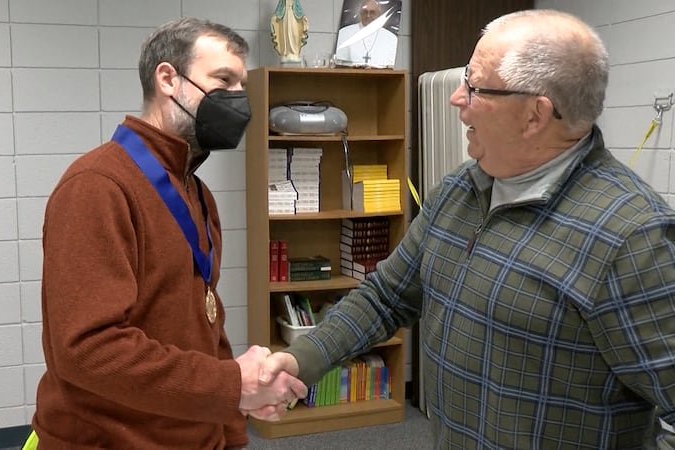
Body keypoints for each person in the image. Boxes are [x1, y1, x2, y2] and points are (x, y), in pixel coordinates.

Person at [262, 9, 675, 449]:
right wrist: (297, 361)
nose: (457, 98)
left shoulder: (633, 238)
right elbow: (386, 296)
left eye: (474, 86)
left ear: (534, 116)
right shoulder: (460, 190)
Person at [30, 17, 306, 450]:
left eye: (241, 87)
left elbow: (208, 329)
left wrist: (232, 427)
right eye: (223, 80)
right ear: (168, 79)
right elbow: (88, 349)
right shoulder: (97, 186)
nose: (238, 99)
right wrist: (233, 385)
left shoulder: (197, 193)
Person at [335, 0, 398, 68]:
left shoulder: (391, 38)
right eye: (365, 12)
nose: (368, 15)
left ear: (379, 15)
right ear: (360, 13)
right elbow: (340, 64)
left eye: (372, 12)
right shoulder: (344, 33)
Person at [270, 0, 309, 65]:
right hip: (285, 16)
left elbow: (298, 8)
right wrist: (275, 16)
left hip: (293, 16)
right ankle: (286, 53)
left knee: (294, 34)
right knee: (285, 34)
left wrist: (303, 16)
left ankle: (294, 52)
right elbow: (279, 8)